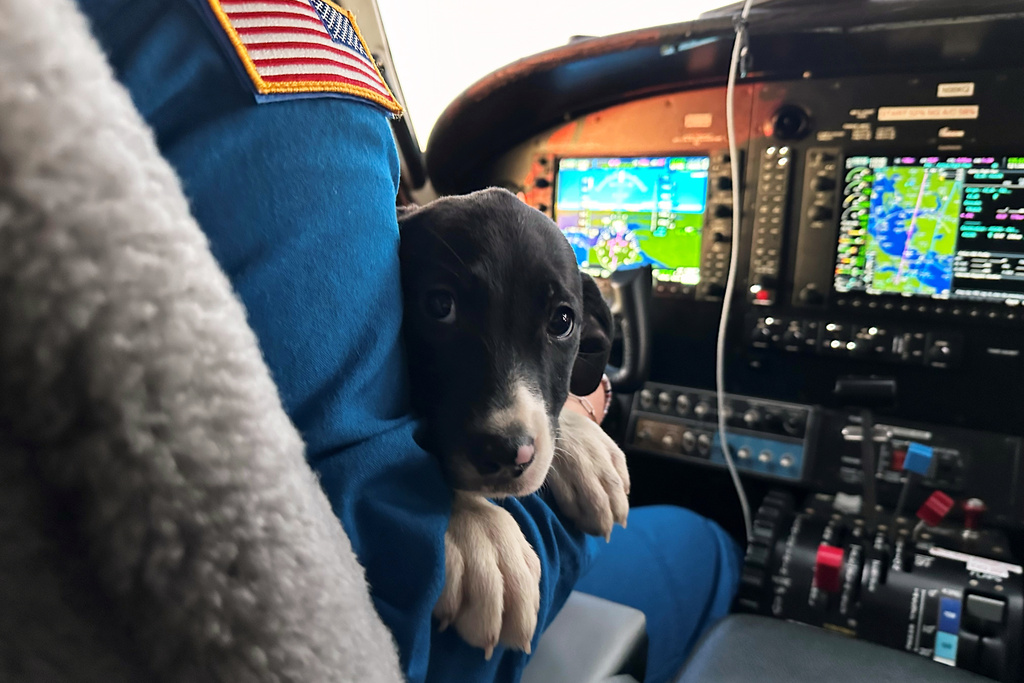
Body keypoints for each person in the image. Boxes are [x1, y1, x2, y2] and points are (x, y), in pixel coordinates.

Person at [75, 0, 741, 680]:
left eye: (563, 324)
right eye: (443, 305)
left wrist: (558, 424)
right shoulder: (264, 62)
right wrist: (559, 455)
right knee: (706, 540)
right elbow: (391, 603)